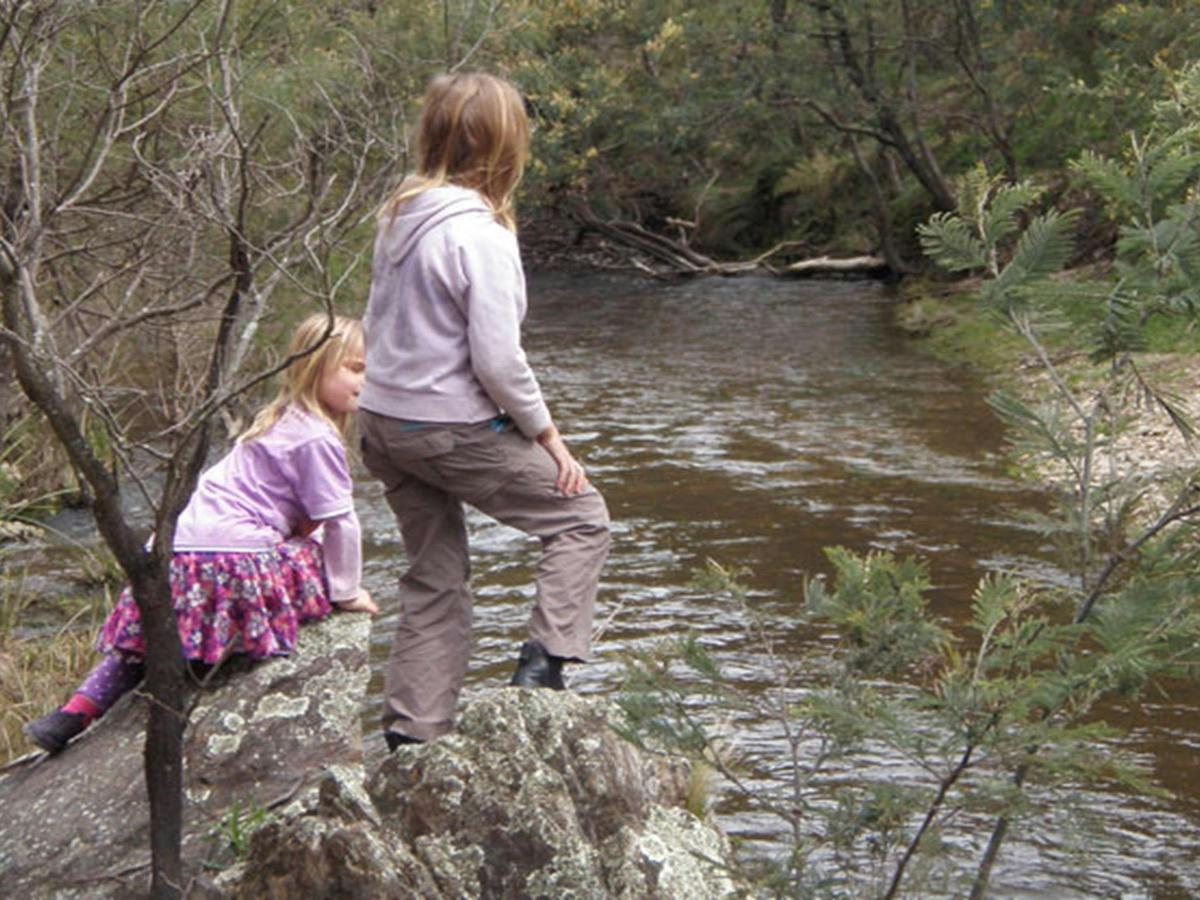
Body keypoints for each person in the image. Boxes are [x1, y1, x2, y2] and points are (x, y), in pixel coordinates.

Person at [358, 72, 611, 750]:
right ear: (506, 146)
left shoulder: (398, 218)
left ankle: (413, 731)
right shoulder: (481, 236)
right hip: (445, 429)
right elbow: (499, 363)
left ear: (432, 135)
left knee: (434, 577)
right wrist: (549, 437)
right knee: (582, 518)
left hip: (382, 423)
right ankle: (543, 669)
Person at [24, 313, 378, 754]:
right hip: (231, 565)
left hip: (171, 559)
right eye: (356, 369)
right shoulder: (316, 438)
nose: (366, 380)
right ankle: (217, 642)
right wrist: (347, 593)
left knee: (139, 647)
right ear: (312, 367)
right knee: (320, 548)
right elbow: (341, 521)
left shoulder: (272, 421)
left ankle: (77, 710)